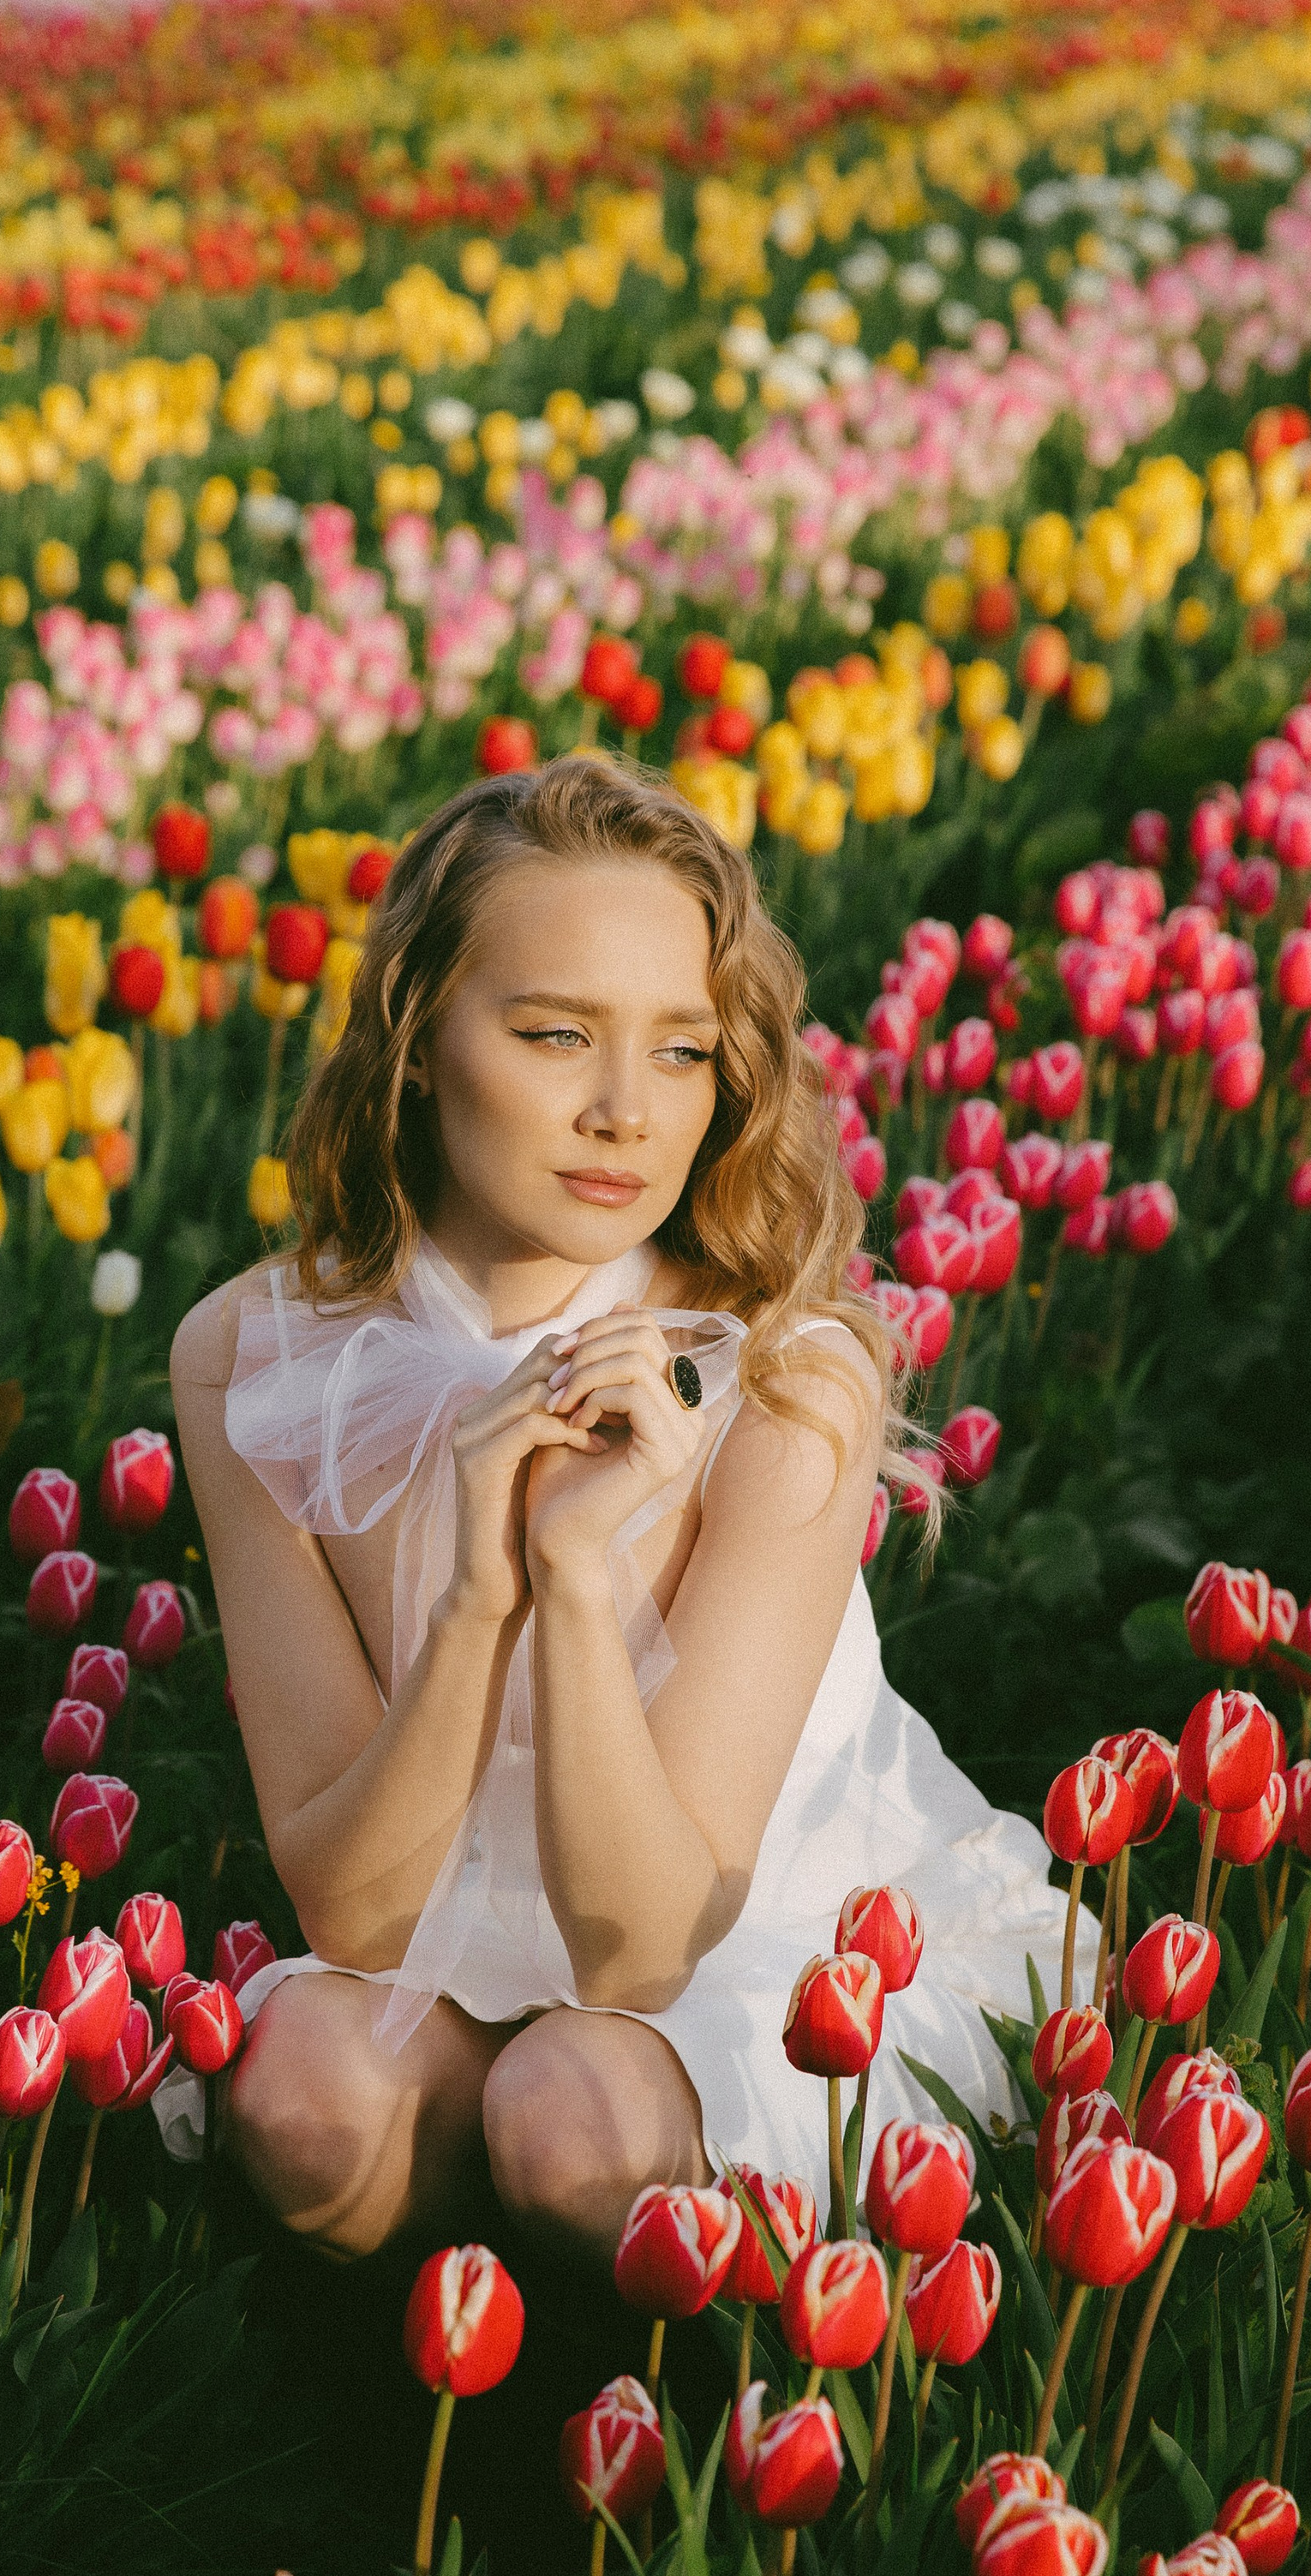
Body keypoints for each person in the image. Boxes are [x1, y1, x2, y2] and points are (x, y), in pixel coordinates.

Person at [171, 754, 1065, 2269]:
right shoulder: (258, 1358)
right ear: (415, 1041)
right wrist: (475, 1596)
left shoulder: (787, 1380)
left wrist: (574, 1573)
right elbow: (351, 1917)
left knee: (570, 2112)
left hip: (761, 1949)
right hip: (426, 1955)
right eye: (555, 1035)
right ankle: (436, 2356)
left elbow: (648, 1949)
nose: (621, 1114)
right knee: (310, 2101)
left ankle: (636, 2406)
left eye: (679, 1052)